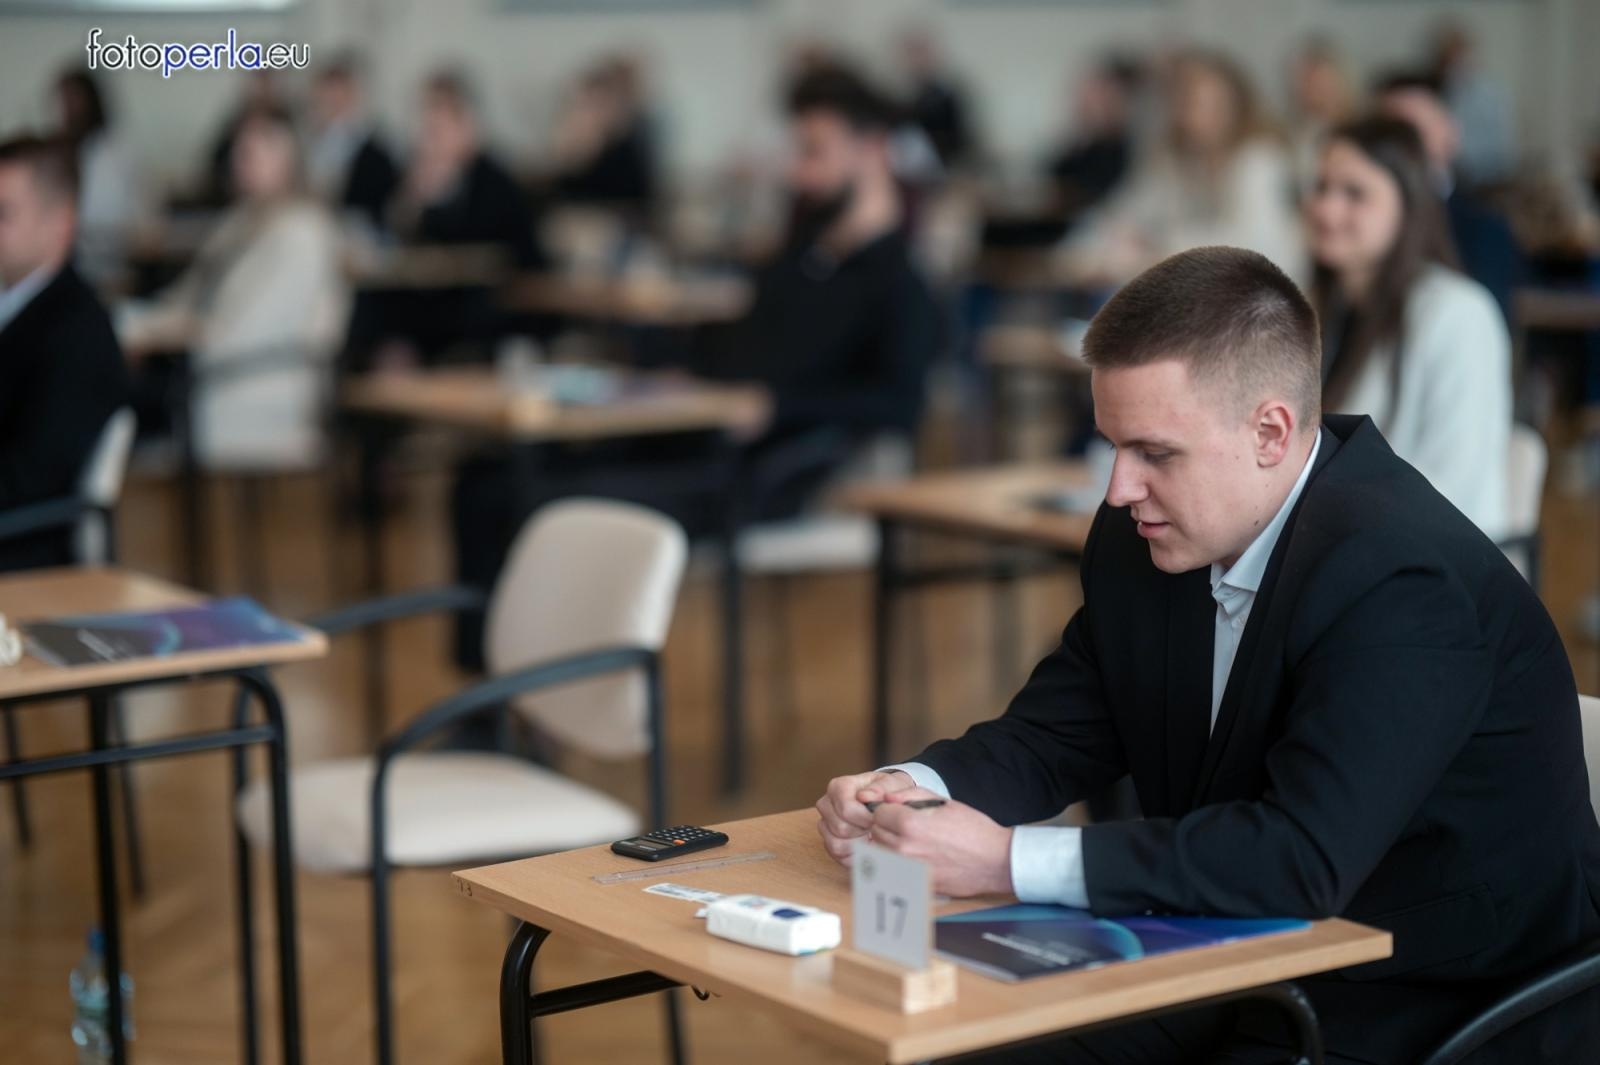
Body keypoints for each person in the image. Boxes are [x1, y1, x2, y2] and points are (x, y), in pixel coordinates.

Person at [816, 246, 1600, 1064]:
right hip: (1238, 949)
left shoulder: (1402, 576)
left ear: (1270, 431)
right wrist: (916, 789)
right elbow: (1058, 731)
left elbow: (1300, 856)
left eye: (1155, 453)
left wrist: (1006, 860)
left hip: (1435, 996)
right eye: (1113, 446)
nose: (1118, 489)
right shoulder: (1149, 539)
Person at [449, 66, 937, 664]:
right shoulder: (805, 251)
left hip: (766, 469)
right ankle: (491, 696)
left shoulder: (900, 281)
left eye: (814, 152)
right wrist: (659, 362)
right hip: (692, 438)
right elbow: (745, 343)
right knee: (482, 478)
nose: (796, 169)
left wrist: (774, 406)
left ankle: (527, 698)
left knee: (534, 496)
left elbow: (899, 403)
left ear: (873, 150)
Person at [1308, 116, 1510, 539]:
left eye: (1354, 193)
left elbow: (1451, 487)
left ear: (1408, 205)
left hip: (1427, 561)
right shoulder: (1323, 308)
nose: (1326, 208)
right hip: (1341, 542)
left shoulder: (1458, 313)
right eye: (1322, 187)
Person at [119, 107, 346, 471]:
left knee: (115, 398)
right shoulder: (241, 220)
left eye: (255, 151)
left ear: (289, 157)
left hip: (249, 383)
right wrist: (138, 324)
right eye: (240, 151)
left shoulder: (303, 232)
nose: (243, 162)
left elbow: (238, 327)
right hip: (208, 364)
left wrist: (156, 332)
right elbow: (187, 297)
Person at [0, 135, 131, 571]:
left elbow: (33, 481)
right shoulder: (16, 305)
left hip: (22, 549)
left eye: (4, 214)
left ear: (60, 222)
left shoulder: (75, 332)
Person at [1069, 51, 1303, 283]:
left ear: (1233, 107)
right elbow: (1123, 214)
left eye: (1204, 104)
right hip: (1195, 296)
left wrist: (1157, 249)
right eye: (1184, 104)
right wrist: (1089, 252)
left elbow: (1252, 246)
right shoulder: (1175, 162)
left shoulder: (1261, 159)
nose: (1191, 116)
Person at [1377, 71, 1524, 325]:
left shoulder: (1485, 230)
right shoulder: (1356, 227)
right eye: (1385, 136)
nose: (1399, 149)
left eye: (1413, 132)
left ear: (1450, 133)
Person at [50, 69, 145, 286]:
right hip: (67, 254)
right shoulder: (58, 150)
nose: (66, 109)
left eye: (73, 99)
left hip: (107, 259)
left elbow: (117, 214)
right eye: (62, 101)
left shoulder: (115, 151)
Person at [305, 52, 399, 233]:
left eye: (339, 95)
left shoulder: (375, 150)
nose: (332, 102)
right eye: (327, 96)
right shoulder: (309, 144)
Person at [1428, 21, 1516, 191]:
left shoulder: (1490, 94)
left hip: (1485, 177)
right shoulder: (1438, 90)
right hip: (1453, 176)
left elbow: (1502, 143)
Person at [1285, 37, 1355, 196]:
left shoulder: (1361, 130)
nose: (1311, 89)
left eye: (1318, 80)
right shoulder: (1300, 134)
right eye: (1304, 81)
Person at [898, 27, 973, 170]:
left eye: (920, 53)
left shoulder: (946, 96)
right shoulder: (904, 95)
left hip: (944, 165)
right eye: (912, 54)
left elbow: (959, 139)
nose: (916, 61)